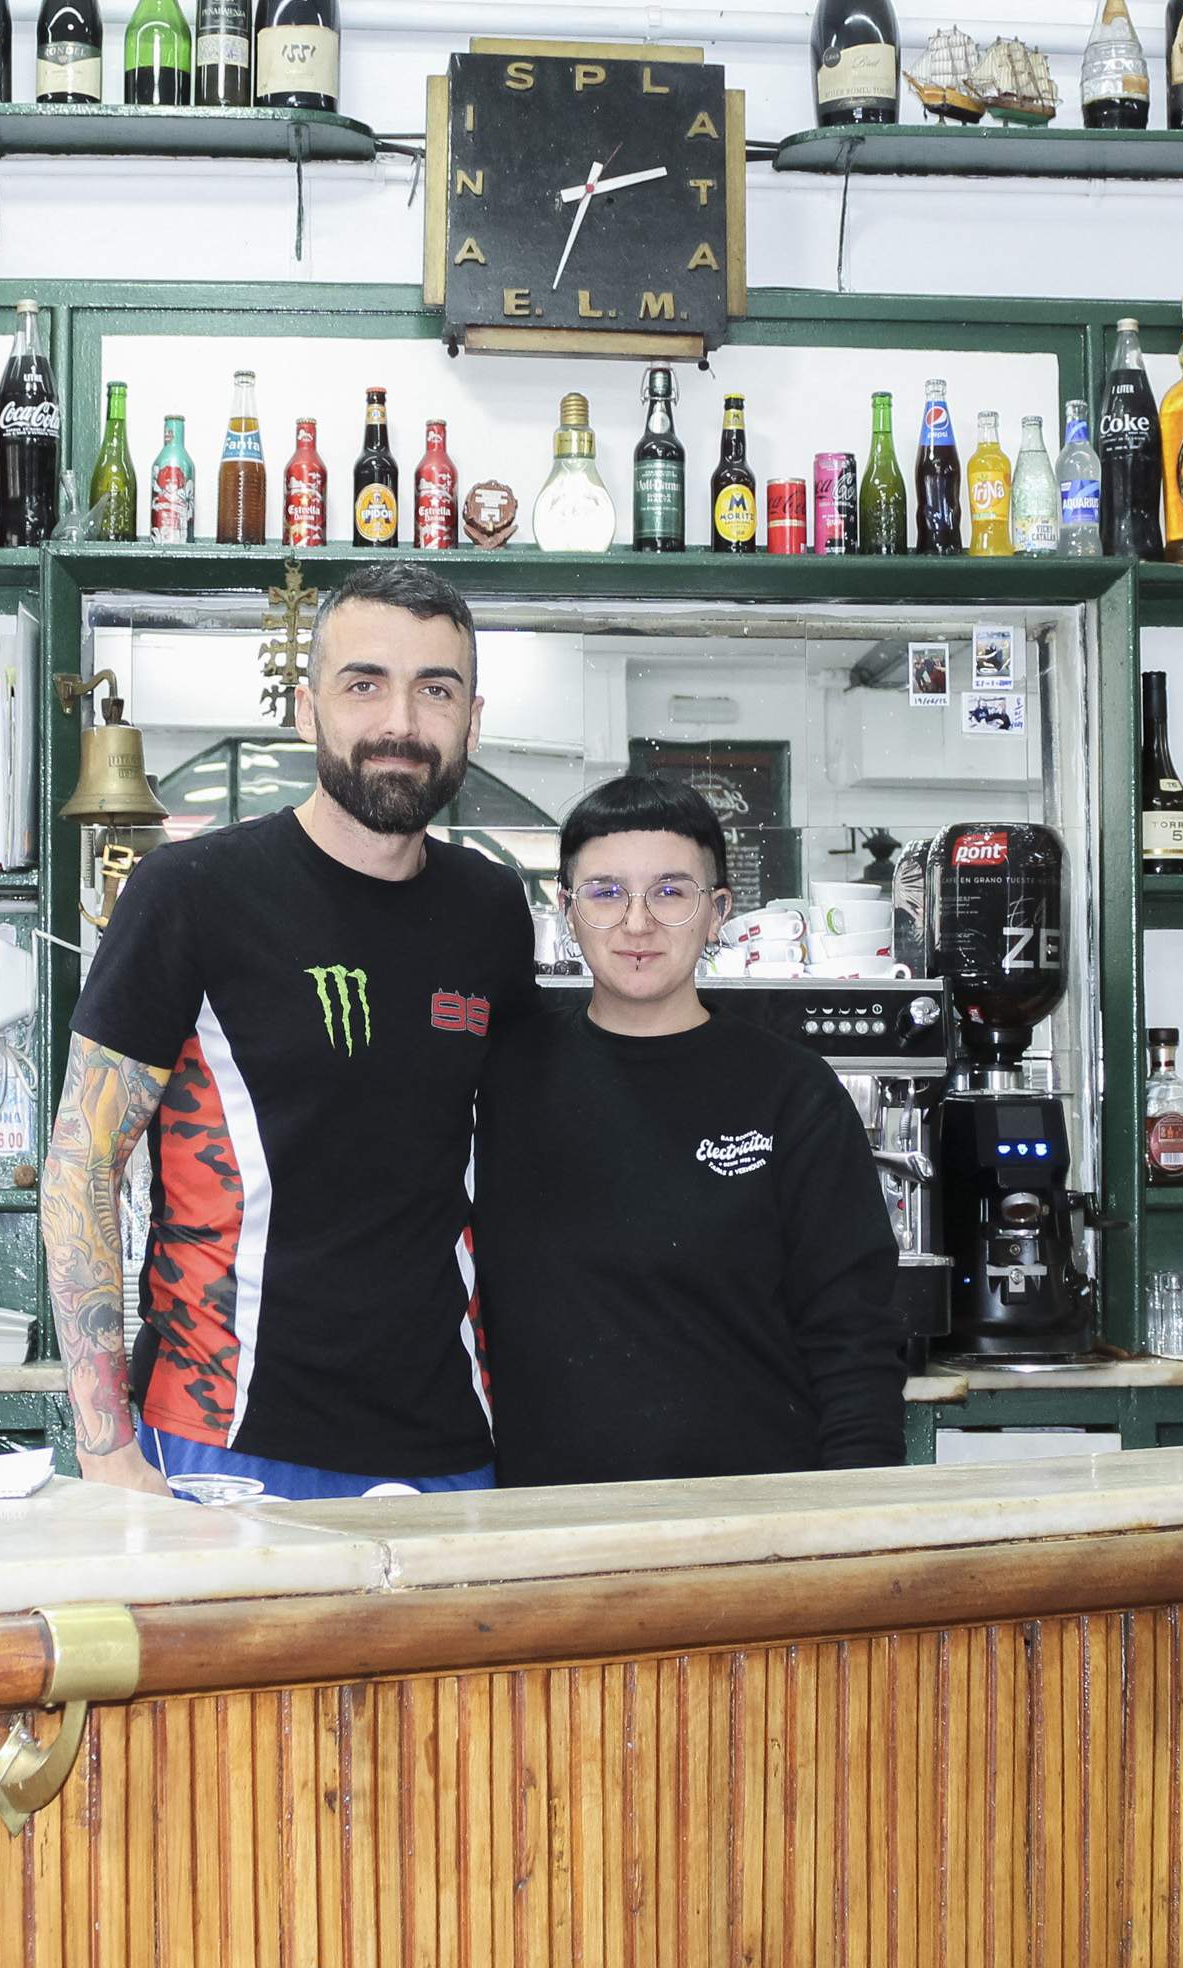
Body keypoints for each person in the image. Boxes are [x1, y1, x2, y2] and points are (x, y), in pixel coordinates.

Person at [45, 561, 538, 1501]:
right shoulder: (192, 893)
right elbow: (83, 1157)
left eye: (436, 689)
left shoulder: (490, 907)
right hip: (225, 1442)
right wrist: (105, 1442)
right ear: (308, 709)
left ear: (473, 721)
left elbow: (501, 1165)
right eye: (365, 685)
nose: (400, 722)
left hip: (449, 1444)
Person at [473, 775, 905, 1487]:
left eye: (671, 893)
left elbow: (854, 1337)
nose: (637, 923)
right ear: (568, 909)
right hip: (544, 1523)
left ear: (717, 915)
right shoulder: (503, 1080)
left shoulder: (790, 1093)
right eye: (606, 893)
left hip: (752, 1521)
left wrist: (851, 1520)